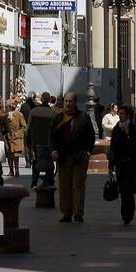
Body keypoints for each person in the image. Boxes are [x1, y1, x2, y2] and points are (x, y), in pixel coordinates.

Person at [50, 92, 97, 222]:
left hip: (80, 157)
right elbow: (52, 137)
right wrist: (53, 150)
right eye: (66, 101)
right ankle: (66, 212)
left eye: (70, 101)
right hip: (64, 157)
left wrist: (88, 151)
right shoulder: (58, 118)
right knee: (64, 186)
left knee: (78, 185)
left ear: (75, 103)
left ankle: (78, 213)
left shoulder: (83, 118)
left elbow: (91, 136)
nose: (68, 104)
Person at [109, 105, 136, 224]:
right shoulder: (117, 127)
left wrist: (127, 134)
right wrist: (110, 166)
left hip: (131, 163)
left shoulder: (133, 127)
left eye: (122, 113)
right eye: (120, 113)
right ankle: (125, 213)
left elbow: (135, 145)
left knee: (128, 189)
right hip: (120, 163)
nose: (120, 116)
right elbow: (113, 147)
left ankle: (128, 214)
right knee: (123, 190)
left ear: (128, 115)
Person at [27, 93, 56, 189]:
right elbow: (55, 129)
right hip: (49, 142)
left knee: (35, 161)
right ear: (48, 100)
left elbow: (29, 127)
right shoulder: (53, 113)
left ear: (42, 99)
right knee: (49, 161)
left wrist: (29, 141)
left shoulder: (34, 111)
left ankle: (34, 180)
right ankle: (50, 180)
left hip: (36, 141)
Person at [4, 100, 27, 178]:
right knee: (9, 154)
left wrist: (18, 134)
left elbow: (24, 126)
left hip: (16, 138)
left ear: (10, 106)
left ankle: (17, 170)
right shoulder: (6, 115)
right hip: (8, 138)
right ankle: (11, 171)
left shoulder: (19, 114)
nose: (6, 107)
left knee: (15, 155)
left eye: (7, 106)